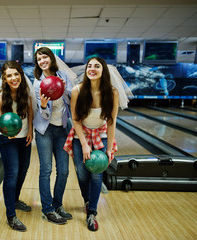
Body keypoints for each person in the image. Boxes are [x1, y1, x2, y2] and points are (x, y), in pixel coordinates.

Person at [63, 57, 131, 231]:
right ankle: (87, 200)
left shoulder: (112, 92)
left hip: (101, 136)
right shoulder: (78, 90)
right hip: (81, 136)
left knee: (96, 173)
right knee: (82, 173)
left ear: (103, 71)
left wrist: (109, 149)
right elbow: (76, 120)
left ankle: (92, 211)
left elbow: (111, 121)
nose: (92, 69)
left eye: (97, 66)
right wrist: (85, 144)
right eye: (89, 66)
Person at [33, 47, 74, 225]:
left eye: (44, 56)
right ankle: (48, 209)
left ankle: (58, 205)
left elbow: (72, 99)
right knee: (46, 170)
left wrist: (64, 90)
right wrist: (43, 106)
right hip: (45, 130)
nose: (42, 60)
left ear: (51, 58)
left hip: (63, 129)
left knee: (64, 171)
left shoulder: (63, 76)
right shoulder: (37, 83)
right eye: (38, 58)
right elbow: (43, 115)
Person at [0, 61, 34, 232]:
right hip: (7, 138)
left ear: (20, 74)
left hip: (24, 136)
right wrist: (7, 132)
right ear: (4, 78)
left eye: (16, 74)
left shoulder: (26, 90)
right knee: (12, 173)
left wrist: (30, 130)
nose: (13, 78)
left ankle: (15, 200)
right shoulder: (2, 95)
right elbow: (3, 117)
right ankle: (11, 215)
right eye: (9, 75)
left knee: (23, 170)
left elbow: (31, 111)